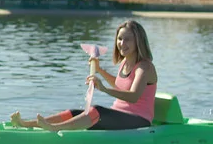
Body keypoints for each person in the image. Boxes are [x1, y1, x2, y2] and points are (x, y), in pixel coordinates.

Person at [10, 20, 157, 132]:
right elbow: (120, 85)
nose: (122, 43)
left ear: (138, 41)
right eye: (120, 38)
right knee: (75, 112)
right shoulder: (125, 62)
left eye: (127, 39)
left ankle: (54, 128)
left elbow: (133, 96)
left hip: (139, 120)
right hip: (120, 115)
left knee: (96, 110)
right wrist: (99, 70)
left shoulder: (145, 67)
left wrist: (104, 89)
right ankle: (27, 124)